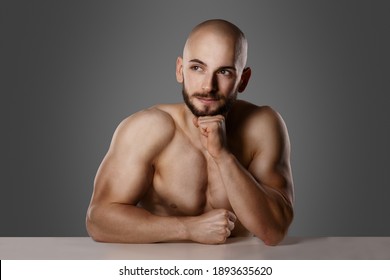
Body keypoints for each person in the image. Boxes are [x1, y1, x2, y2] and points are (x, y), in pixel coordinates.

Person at [86, 19, 294, 245]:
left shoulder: (262, 125)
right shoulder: (147, 129)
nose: (208, 86)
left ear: (242, 79)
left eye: (224, 71)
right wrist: (188, 229)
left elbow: (274, 231)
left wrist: (223, 156)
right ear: (179, 69)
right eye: (197, 68)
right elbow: (98, 219)